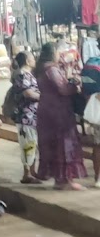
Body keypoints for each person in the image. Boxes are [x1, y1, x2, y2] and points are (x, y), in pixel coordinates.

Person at [34, 42, 87, 189]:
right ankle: (65, 180)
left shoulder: (40, 69)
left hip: (46, 109)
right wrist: (75, 86)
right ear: (53, 53)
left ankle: (59, 179)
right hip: (58, 111)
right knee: (63, 144)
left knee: (52, 144)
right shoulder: (51, 70)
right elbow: (62, 90)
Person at [11, 50, 39, 184]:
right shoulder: (22, 75)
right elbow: (28, 93)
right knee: (29, 144)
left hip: (30, 116)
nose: (34, 60)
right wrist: (43, 97)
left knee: (30, 144)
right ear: (27, 61)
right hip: (26, 116)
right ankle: (27, 173)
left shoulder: (26, 74)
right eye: (32, 58)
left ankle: (30, 172)